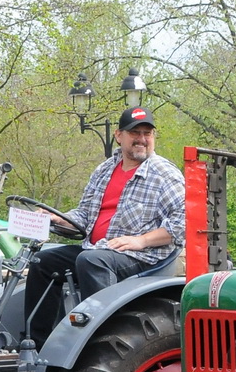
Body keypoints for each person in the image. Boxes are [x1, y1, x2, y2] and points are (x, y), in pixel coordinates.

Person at [23, 106, 184, 344]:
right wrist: (58, 218)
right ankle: (38, 344)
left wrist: (141, 241)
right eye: (135, 133)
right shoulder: (105, 170)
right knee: (42, 262)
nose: (141, 139)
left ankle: (99, 342)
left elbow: (185, 222)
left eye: (147, 134)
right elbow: (85, 215)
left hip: (143, 255)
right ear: (119, 136)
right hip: (98, 247)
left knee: (92, 261)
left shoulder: (163, 173)